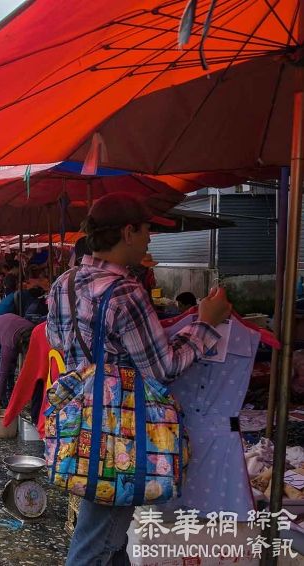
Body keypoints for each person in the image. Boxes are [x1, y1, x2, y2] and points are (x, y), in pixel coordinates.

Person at [47, 192, 231, 565]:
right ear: (128, 232)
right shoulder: (126, 292)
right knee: (96, 540)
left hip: (82, 424)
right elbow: (162, 368)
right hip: (121, 434)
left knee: (110, 534)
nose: (151, 239)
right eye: (147, 231)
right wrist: (204, 324)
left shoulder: (63, 283)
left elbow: (60, 344)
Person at [0, 313, 35, 413]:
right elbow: (1, 374)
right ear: (20, 344)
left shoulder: (32, 332)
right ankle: (1, 403)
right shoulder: (9, 345)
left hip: (7, 327)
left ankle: (11, 399)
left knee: (11, 368)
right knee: (2, 368)